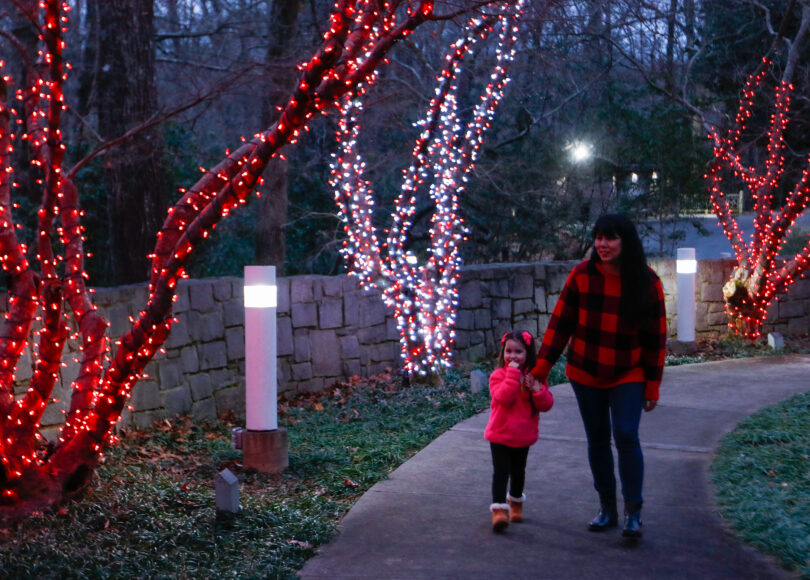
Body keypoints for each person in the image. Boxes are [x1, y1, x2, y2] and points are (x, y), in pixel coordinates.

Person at [530, 213, 666, 539]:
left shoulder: (648, 283)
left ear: (626, 241)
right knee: (597, 440)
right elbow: (560, 325)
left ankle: (634, 512)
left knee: (626, 435)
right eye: (599, 237)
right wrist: (541, 369)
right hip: (585, 372)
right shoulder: (582, 275)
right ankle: (607, 508)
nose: (602, 244)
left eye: (611, 238)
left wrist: (652, 385)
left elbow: (655, 340)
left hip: (628, 373)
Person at [484, 330, 554, 532]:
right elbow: (503, 397)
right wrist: (513, 374)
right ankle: (499, 510)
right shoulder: (498, 376)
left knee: (518, 472)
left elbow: (546, 404)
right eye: (509, 351)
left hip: (523, 436)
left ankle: (516, 502)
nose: (513, 356)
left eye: (519, 352)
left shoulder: (535, 377)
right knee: (500, 473)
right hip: (500, 434)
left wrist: (538, 390)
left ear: (528, 354)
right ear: (503, 353)